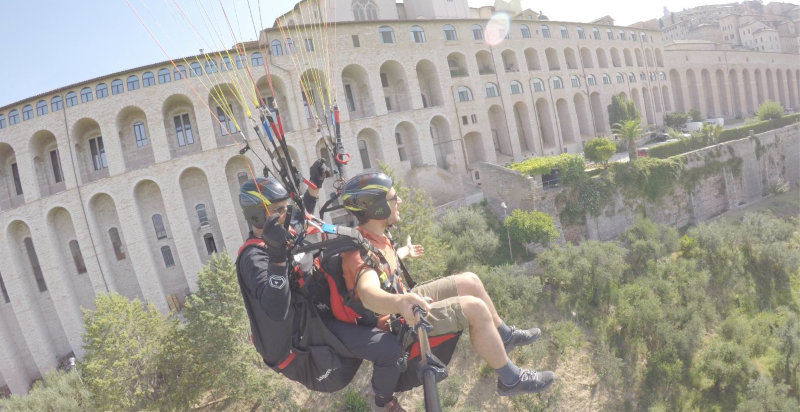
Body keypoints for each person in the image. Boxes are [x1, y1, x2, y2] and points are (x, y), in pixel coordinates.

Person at [337, 172, 555, 411]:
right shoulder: (358, 254)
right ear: (377, 208)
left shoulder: (375, 236)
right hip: (396, 323)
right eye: (393, 198)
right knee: (474, 308)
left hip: (401, 302)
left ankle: (503, 335)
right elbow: (368, 293)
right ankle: (510, 379)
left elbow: (383, 263)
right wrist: (400, 302)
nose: (399, 201)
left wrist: (404, 252)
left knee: (470, 281)